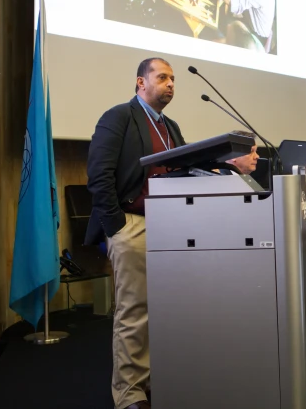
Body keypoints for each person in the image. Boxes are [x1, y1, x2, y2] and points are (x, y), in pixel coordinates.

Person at [86, 57, 185, 409]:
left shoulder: (170, 126)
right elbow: (98, 175)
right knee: (134, 310)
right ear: (140, 83)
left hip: (170, 226)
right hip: (132, 222)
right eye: (162, 77)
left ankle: (155, 381)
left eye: (173, 78)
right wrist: (117, 227)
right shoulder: (119, 117)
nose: (170, 83)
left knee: (165, 309)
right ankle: (129, 393)